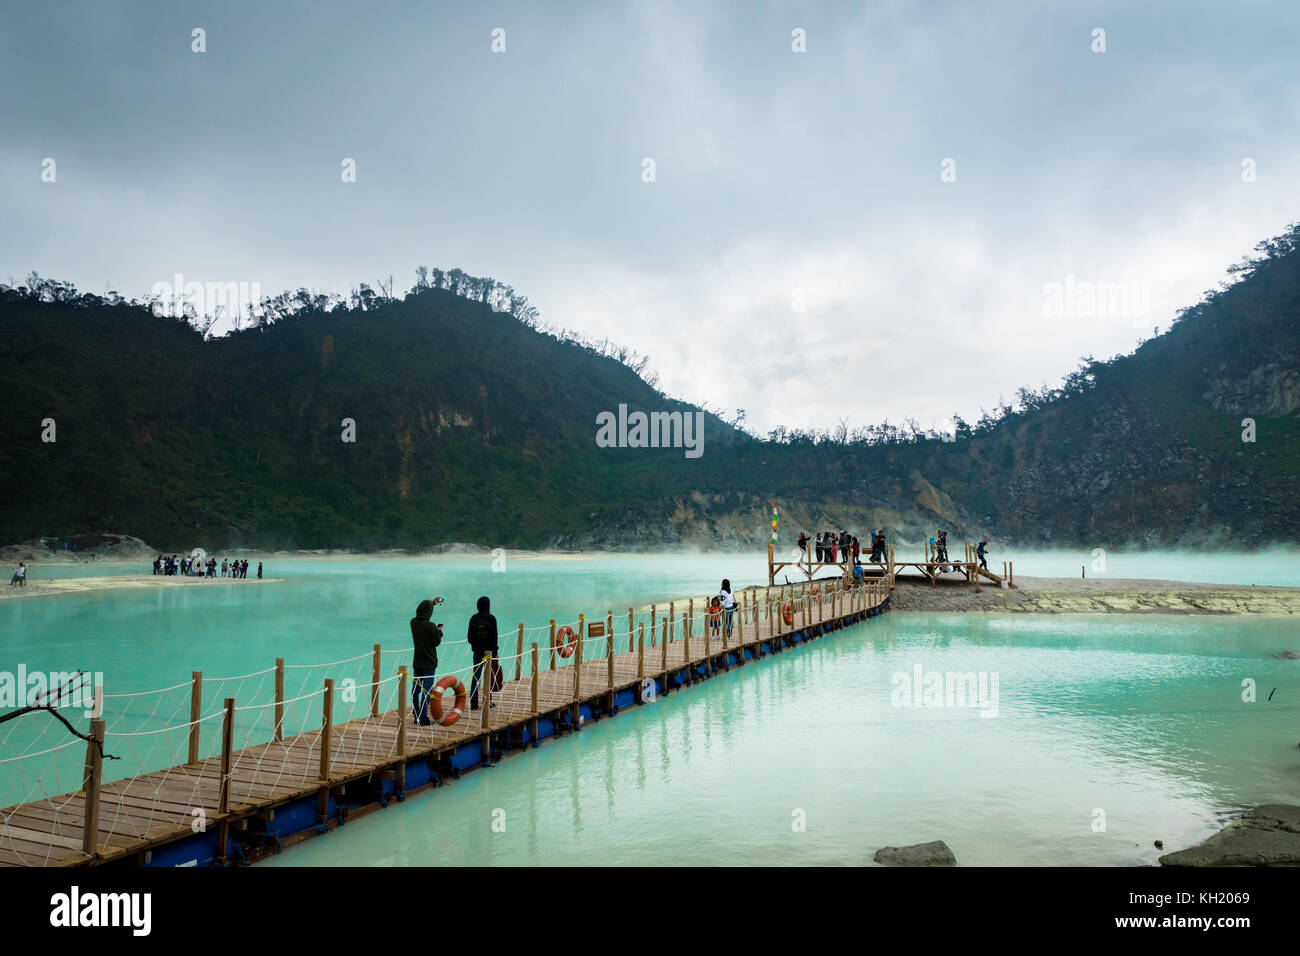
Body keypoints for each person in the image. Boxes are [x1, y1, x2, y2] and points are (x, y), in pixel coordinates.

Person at [410, 597, 444, 725]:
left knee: (415, 690)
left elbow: (422, 613)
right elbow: (436, 642)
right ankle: (423, 718)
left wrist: (432, 603)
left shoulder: (413, 623)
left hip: (417, 662)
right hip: (429, 663)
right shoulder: (431, 626)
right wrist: (439, 631)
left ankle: (416, 715)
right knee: (427, 691)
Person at [467, 595, 499, 710]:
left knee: (476, 676)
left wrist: (475, 645)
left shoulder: (473, 618)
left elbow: (469, 637)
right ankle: (487, 701)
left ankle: (473, 703)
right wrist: (495, 652)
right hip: (489, 652)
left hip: (477, 651)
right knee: (488, 677)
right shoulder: (491, 618)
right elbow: (494, 637)